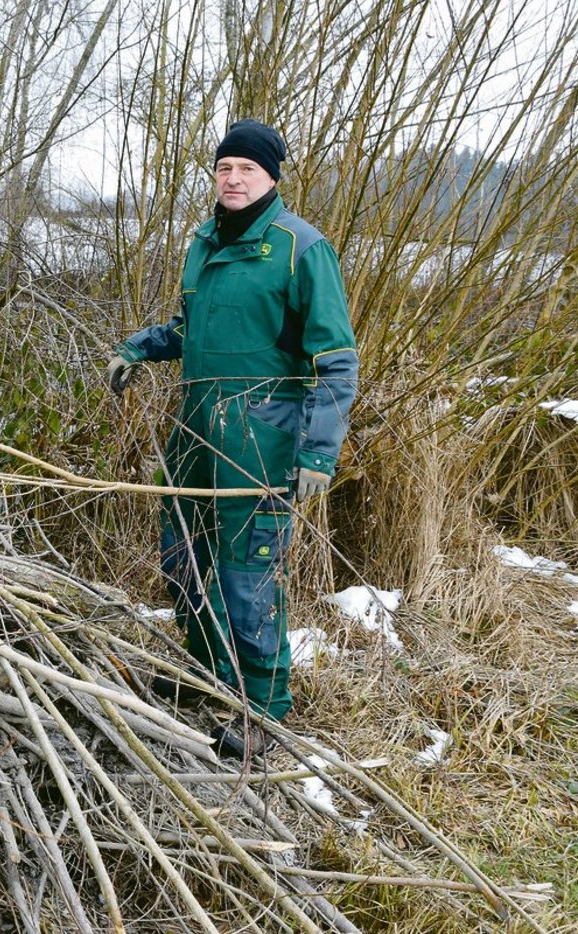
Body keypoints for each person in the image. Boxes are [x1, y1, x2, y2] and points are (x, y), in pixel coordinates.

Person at [105, 119, 358, 758]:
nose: (234, 178)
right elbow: (192, 328)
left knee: (249, 574)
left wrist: (319, 449)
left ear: (271, 177)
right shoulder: (202, 242)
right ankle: (210, 675)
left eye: (247, 168)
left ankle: (262, 709)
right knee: (183, 556)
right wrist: (140, 347)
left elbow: (335, 362)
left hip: (261, 436)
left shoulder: (301, 248)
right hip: (195, 428)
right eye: (225, 168)